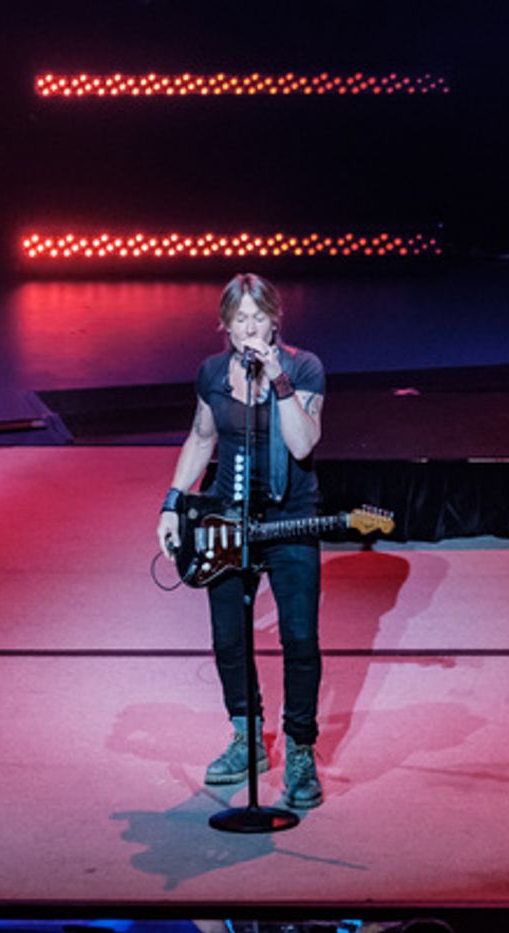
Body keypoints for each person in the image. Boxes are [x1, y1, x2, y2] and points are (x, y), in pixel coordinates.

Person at [156, 272, 327, 809]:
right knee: (230, 636)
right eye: (239, 320)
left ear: (275, 320)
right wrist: (172, 502)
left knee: (298, 636)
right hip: (225, 519)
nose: (249, 328)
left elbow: (302, 445)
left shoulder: (303, 367)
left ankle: (300, 747)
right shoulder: (211, 373)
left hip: (290, 518)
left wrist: (277, 379)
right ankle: (247, 735)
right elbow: (202, 437)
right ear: (225, 325)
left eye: (259, 318)